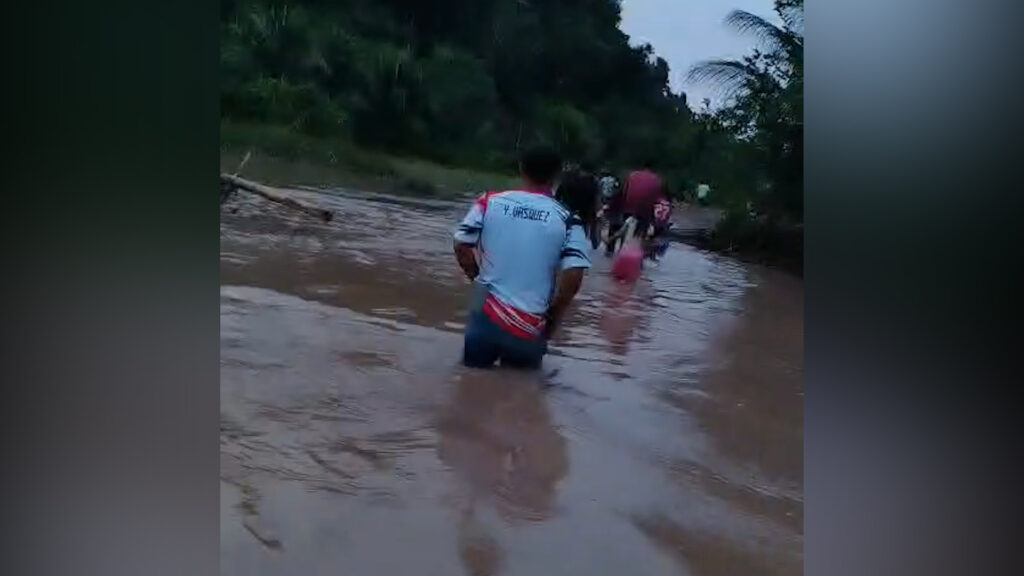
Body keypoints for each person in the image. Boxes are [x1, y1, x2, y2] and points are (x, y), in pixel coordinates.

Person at [453, 146, 591, 369]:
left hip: (484, 314)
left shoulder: (489, 202)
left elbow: (461, 245)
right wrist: (553, 316)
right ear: (556, 176)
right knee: (521, 393)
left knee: (468, 383)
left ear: (521, 169)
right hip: (530, 324)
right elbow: (574, 276)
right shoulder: (568, 220)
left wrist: (477, 280)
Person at [622, 160, 664, 241]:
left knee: (624, 229)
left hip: (628, 209)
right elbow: (657, 198)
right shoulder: (657, 179)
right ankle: (642, 241)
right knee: (644, 231)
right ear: (653, 169)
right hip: (644, 211)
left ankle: (620, 246)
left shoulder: (632, 175)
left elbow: (624, 191)